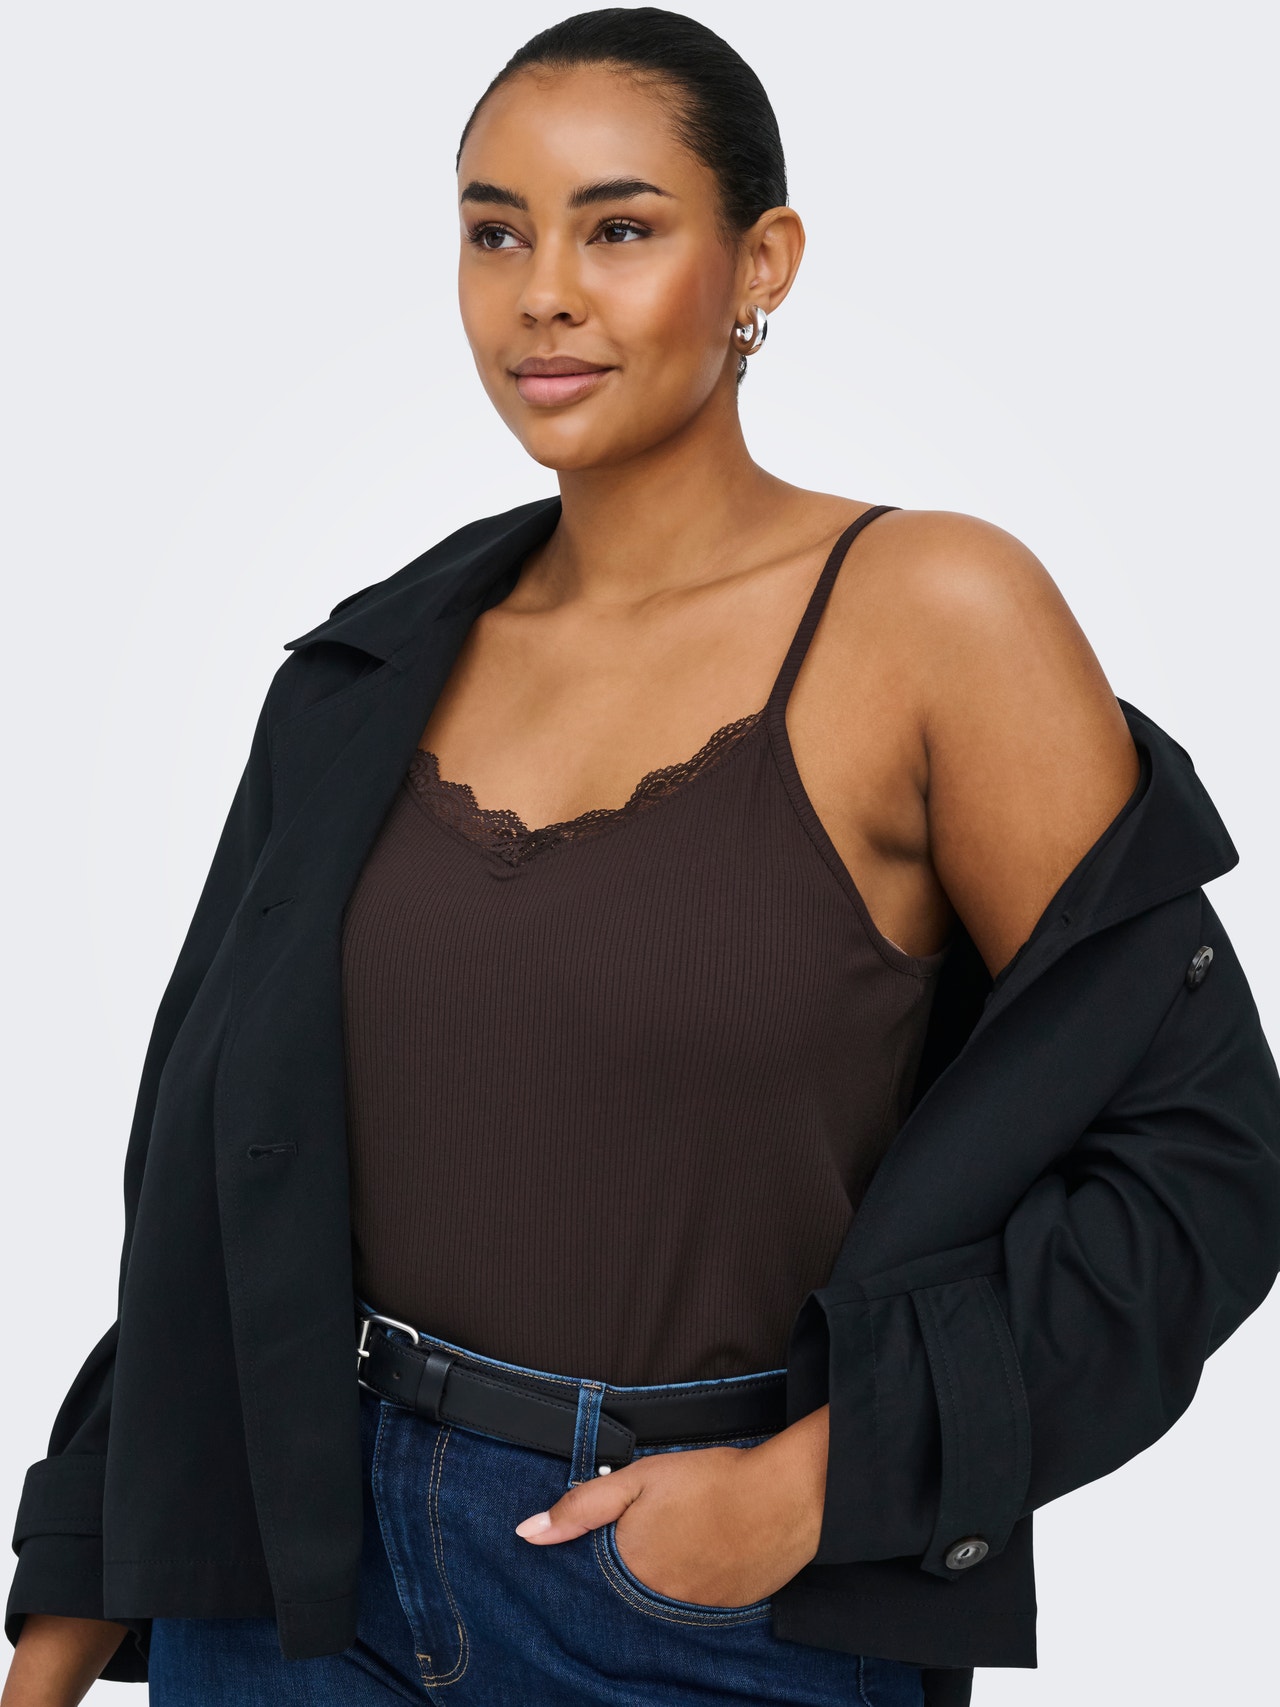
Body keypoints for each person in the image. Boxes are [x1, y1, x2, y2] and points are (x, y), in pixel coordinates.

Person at [5, 9, 1279, 1707]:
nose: (543, 292)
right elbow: (221, 1175)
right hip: (294, 1583)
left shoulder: (934, 621)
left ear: (763, 261)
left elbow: (1203, 1160)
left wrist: (806, 1491)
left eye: (617, 228)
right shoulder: (368, 668)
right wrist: (79, 1591)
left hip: (692, 1608)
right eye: (494, 234)